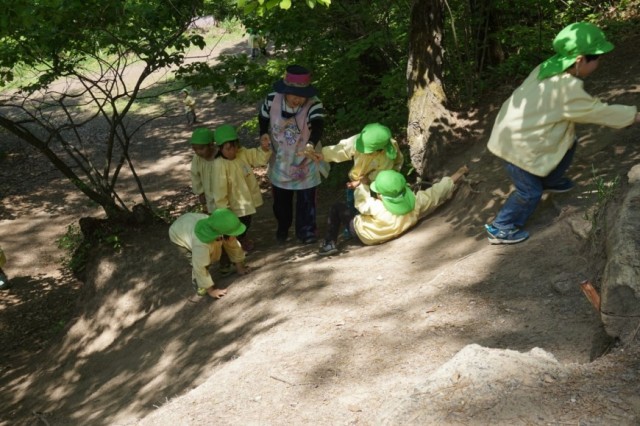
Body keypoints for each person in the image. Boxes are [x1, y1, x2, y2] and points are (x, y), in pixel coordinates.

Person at [485, 22, 640, 245]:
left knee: (568, 140)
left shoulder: (548, 66)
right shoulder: (566, 90)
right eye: (596, 57)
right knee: (529, 193)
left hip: (515, 134)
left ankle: (550, 179)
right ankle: (501, 227)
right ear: (579, 60)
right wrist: (634, 116)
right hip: (516, 148)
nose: (599, 62)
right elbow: (599, 112)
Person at [318, 166, 468, 255]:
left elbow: (360, 203)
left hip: (365, 236)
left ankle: (329, 243)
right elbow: (437, 192)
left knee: (337, 208)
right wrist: (459, 173)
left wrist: (360, 186)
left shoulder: (376, 206)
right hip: (394, 229)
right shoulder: (416, 202)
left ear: (381, 195)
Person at [259, 64, 327, 244]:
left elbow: (318, 124)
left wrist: (312, 143)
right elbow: (263, 117)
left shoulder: (314, 103)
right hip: (280, 157)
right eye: (295, 96)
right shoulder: (272, 99)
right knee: (281, 200)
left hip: (306, 156)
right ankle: (283, 227)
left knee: (306, 198)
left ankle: (307, 232)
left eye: (302, 96)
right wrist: (262, 133)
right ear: (285, 91)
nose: (299, 100)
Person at [314, 122, 404, 211]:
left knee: (376, 207)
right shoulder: (361, 139)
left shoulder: (386, 156)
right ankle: (353, 214)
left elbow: (381, 175)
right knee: (353, 204)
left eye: (367, 151)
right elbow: (343, 149)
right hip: (359, 178)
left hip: (378, 184)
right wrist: (323, 155)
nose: (363, 151)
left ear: (379, 150)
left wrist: (365, 180)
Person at [211, 124, 271, 251]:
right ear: (220, 148)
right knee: (233, 225)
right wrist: (223, 209)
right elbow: (219, 188)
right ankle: (233, 245)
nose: (232, 151)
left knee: (246, 220)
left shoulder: (242, 153)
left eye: (234, 147)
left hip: (246, 199)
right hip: (232, 203)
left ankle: (242, 238)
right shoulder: (219, 165)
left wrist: (264, 149)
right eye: (228, 149)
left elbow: (257, 157)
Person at [169, 209, 248, 299]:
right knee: (198, 261)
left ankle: (225, 267)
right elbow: (199, 266)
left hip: (190, 221)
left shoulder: (220, 227)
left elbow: (233, 247)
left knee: (225, 245)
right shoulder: (201, 244)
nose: (236, 236)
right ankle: (200, 283)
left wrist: (240, 268)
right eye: (234, 234)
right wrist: (212, 291)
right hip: (178, 234)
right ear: (221, 234)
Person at [190, 127, 218, 214]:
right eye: (195, 149)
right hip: (208, 194)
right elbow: (195, 175)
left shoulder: (221, 156)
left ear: (211, 145)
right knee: (212, 214)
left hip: (222, 191)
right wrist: (200, 192)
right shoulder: (197, 159)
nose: (198, 152)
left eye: (201, 148)